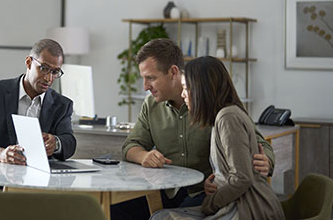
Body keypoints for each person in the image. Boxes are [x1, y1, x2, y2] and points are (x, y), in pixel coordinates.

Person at [113, 39, 274, 220]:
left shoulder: (215, 106)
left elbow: (257, 143)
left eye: (151, 78)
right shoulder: (150, 105)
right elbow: (130, 146)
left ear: (173, 72)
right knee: (115, 210)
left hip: (203, 191)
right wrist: (144, 156)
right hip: (166, 190)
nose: (145, 86)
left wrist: (266, 160)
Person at [150, 56, 284, 219]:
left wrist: (209, 204)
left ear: (201, 89)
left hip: (247, 209)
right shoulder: (224, 116)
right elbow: (233, 173)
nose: (183, 94)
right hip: (236, 204)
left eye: (186, 88)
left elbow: (241, 179)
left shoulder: (227, 118)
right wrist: (214, 184)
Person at [0, 39, 76, 214]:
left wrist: (57, 142)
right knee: (0, 209)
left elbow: (69, 143)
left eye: (55, 72)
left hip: (40, 187)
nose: (49, 78)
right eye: (44, 69)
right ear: (29, 62)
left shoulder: (63, 105)